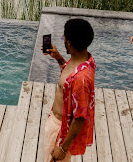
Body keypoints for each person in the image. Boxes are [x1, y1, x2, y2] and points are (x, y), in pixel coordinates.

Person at [43, 18, 95, 162]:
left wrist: (63, 148)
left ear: (70, 43)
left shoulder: (81, 79)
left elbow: (79, 117)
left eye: (63, 38)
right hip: (57, 124)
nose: (63, 40)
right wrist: (59, 58)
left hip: (61, 130)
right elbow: (69, 79)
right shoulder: (85, 60)